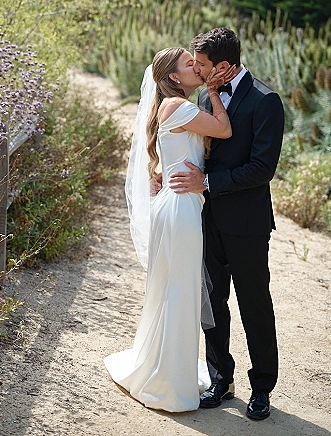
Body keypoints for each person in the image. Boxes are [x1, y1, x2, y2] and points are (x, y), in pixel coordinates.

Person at [104, 46, 235, 412]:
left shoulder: (173, 107)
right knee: (180, 292)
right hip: (181, 209)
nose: (197, 66)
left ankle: (166, 370)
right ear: (174, 77)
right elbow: (223, 129)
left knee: (174, 289)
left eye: (198, 62)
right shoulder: (178, 107)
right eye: (189, 63)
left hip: (177, 205)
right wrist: (212, 90)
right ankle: (169, 384)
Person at [169, 27, 284, 421]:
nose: (197, 72)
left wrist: (208, 182)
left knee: (255, 304)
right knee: (213, 303)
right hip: (207, 219)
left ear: (223, 65)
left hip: (248, 223)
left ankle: (262, 387)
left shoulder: (267, 101)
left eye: (201, 65)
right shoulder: (206, 94)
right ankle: (221, 379)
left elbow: (261, 169)